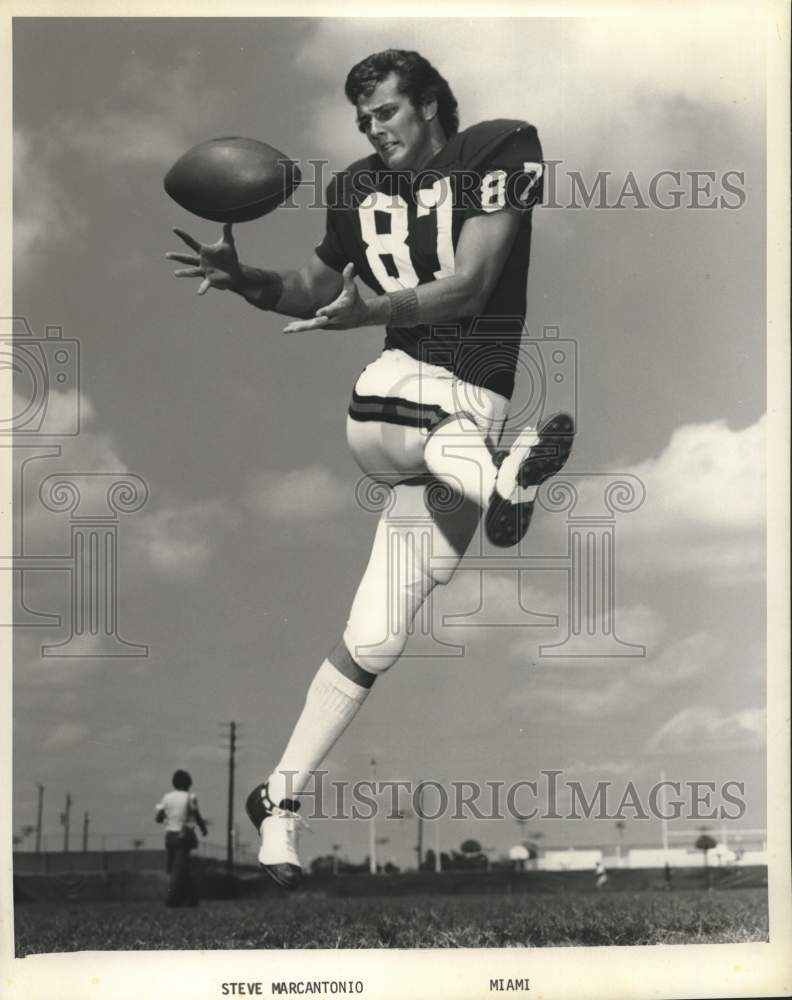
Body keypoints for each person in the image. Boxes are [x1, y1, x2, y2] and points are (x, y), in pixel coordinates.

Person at [167, 49, 574, 890]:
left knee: (376, 638)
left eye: (385, 112)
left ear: (429, 104)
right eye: (361, 121)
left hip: (474, 415)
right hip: (393, 399)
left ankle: (277, 801)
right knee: (440, 421)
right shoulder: (353, 189)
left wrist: (370, 308)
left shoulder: (497, 151)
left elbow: (471, 284)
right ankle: (503, 481)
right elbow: (314, 285)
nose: (370, 129)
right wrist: (247, 281)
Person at [155, 769, 209, 907]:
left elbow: (159, 818)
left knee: (176, 868)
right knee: (179, 870)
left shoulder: (166, 797)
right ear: (188, 784)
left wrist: (167, 816)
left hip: (169, 836)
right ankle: (172, 900)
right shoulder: (190, 797)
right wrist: (203, 828)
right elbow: (197, 815)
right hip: (183, 835)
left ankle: (192, 900)